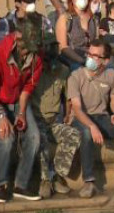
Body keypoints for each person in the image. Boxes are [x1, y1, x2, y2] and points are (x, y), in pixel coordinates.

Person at [0, 14, 43, 203]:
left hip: (15, 95)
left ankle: (21, 184)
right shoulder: (1, 49)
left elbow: (27, 87)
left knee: (34, 136)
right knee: (5, 134)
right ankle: (0, 185)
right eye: (24, 47)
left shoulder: (36, 55)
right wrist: (1, 116)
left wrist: (21, 112)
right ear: (18, 36)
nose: (25, 53)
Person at [66, 40, 114, 199]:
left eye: (95, 56)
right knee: (86, 132)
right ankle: (89, 181)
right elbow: (77, 108)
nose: (90, 58)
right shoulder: (76, 76)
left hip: (102, 117)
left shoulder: (112, 75)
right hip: (81, 119)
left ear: (105, 60)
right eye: (89, 54)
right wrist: (92, 126)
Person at [29, 35, 80, 198]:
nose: (52, 51)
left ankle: (56, 176)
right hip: (36, 121)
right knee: (41, 140)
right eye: (48, 47)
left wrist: (68, 115)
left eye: (54, 47)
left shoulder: (63, 71)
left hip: (53, 121)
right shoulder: (32, 70)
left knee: (73, 135)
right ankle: (45, 181)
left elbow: (68, 96)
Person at [55, 0, 98, 71]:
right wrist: (83, 61)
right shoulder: (65, 18)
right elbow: (63, 47)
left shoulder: (93, 18)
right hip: (72, 60)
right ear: (72, 0)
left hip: (92, 59)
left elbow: (97, 42)